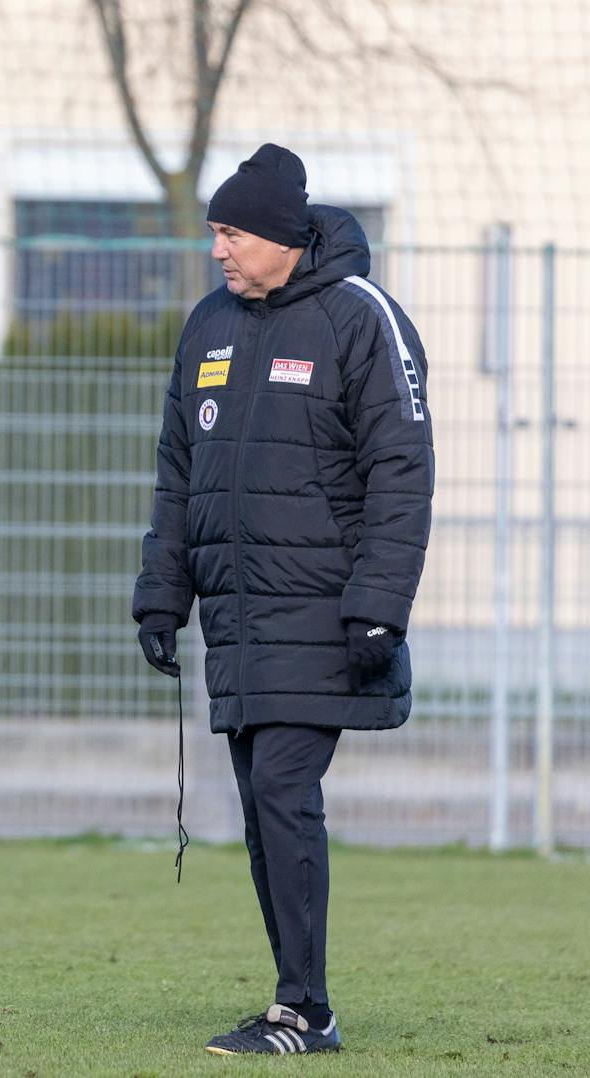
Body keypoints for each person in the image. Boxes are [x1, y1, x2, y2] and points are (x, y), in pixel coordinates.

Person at [132, 143, 433, 1056]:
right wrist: (161, 594)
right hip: (239, 624)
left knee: (283, 790)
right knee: (264, 811)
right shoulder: (207, 327)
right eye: (215, 231)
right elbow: (178, 473)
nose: (216, 248)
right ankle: (300, 1001)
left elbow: (401, 471)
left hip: (326, 616)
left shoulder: (359, 318)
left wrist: (379, 603)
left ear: (277, 236)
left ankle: (305, 1010)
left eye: (229, 231)